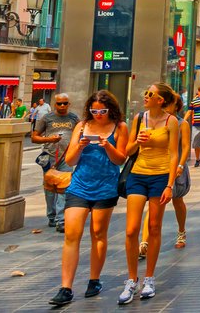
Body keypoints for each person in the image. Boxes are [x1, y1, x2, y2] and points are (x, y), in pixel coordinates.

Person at [49, 90, 128, 307]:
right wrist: (80, 145)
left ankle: (94, 279)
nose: (98, 115)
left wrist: (107, 145)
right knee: (71, 234)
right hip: (79, 186)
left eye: (102, 111)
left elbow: (120, 159)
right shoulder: (81, 126)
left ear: (110, 109)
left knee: (98, 233)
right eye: (94, 111)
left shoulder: (120, 127)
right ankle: (65, 288)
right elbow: (71, 160)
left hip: (105, 187)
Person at [119, 83, 180, 305]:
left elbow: (174, 154)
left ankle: (149, 278)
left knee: (154, 227)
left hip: (161, 176)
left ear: (160, 100)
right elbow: (127, 151)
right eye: (145, 92)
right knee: (131, 229)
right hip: (137, 175)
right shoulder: (139, 119)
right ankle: (131, 279)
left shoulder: (171, 121)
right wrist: (137, 142)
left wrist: (170, 185)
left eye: (150, 94)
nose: (145, 96)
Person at [142, 96, 192, 256]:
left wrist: (180, 165)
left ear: (176, 106)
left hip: (176, 167)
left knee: (178, 201)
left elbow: (185, 148)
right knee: (154, 203)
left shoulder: (182, 124)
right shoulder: (157, 122)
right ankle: (144, 242)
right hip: (159, 167)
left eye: (168, 104)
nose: (164, 107)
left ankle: (181, 231)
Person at [32, 93, 80, 232]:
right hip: (49, 157)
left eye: (65, 103)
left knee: (64, 187)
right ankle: (51, 215)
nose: (63, 106)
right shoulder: (47, 118)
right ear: (55, 104)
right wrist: (49, 140)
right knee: (50, 188)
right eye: (60, 103)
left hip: (67, 157)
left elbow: (80, 133)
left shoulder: (74, 118)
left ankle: (61, 219)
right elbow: (34, 137)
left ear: (69, 104)